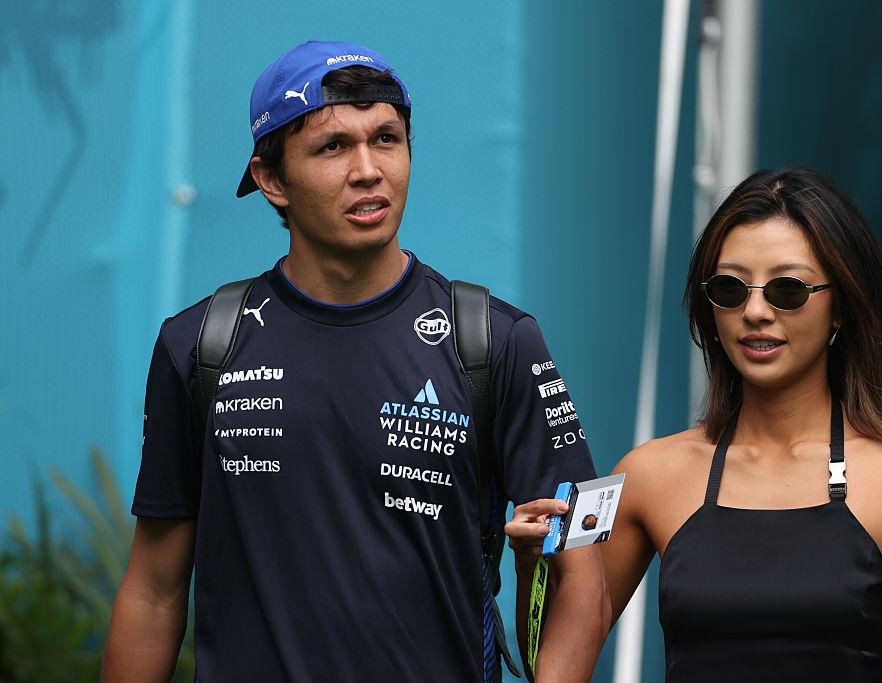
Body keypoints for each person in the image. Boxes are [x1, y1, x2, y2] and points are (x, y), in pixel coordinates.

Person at [103, 40, 608, 682]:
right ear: (271, 180)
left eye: (387, 139)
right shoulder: (201, 344)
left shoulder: (495, 340)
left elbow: (583, 575)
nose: (368, 170)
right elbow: (153, 591)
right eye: (333, 146)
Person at [507, 167, 882, 681]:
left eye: (788, 290)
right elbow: (552, 667)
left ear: (842, 307)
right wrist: (532, 565)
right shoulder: (647, 474)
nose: (756, 311)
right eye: (730, 288)